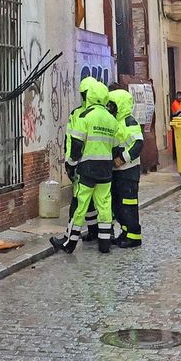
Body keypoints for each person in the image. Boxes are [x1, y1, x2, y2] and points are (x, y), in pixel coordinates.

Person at [51, 79, 121, 254]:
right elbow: (116, 147)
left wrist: (72, 164)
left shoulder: (84, 116)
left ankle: (69, 243)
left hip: (87, 169)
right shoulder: (111, 119)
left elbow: (76, 145)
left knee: (80, 206)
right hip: (105, 169)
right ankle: (104, 243)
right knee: (104, 205)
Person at [66, 77, 108, 240]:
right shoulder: (77, 113)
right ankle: (94, 231)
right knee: (90, 202)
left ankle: (70, 238)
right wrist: (68, 161)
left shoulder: (88, 115)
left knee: (81, 202)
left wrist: (72, 162)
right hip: (83, 162)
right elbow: (69, 138)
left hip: (86, 164)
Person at [107, 86, 145, 248]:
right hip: (117, 172)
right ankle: (125, 232)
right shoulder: (115, 122)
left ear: (120, 104)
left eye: (112, 105)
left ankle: (134, 237)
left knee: (128, 204)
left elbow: (138, 144)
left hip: (128, 172)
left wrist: (122, 158)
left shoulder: (129, 122)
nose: (110, 108)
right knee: (118, 205)